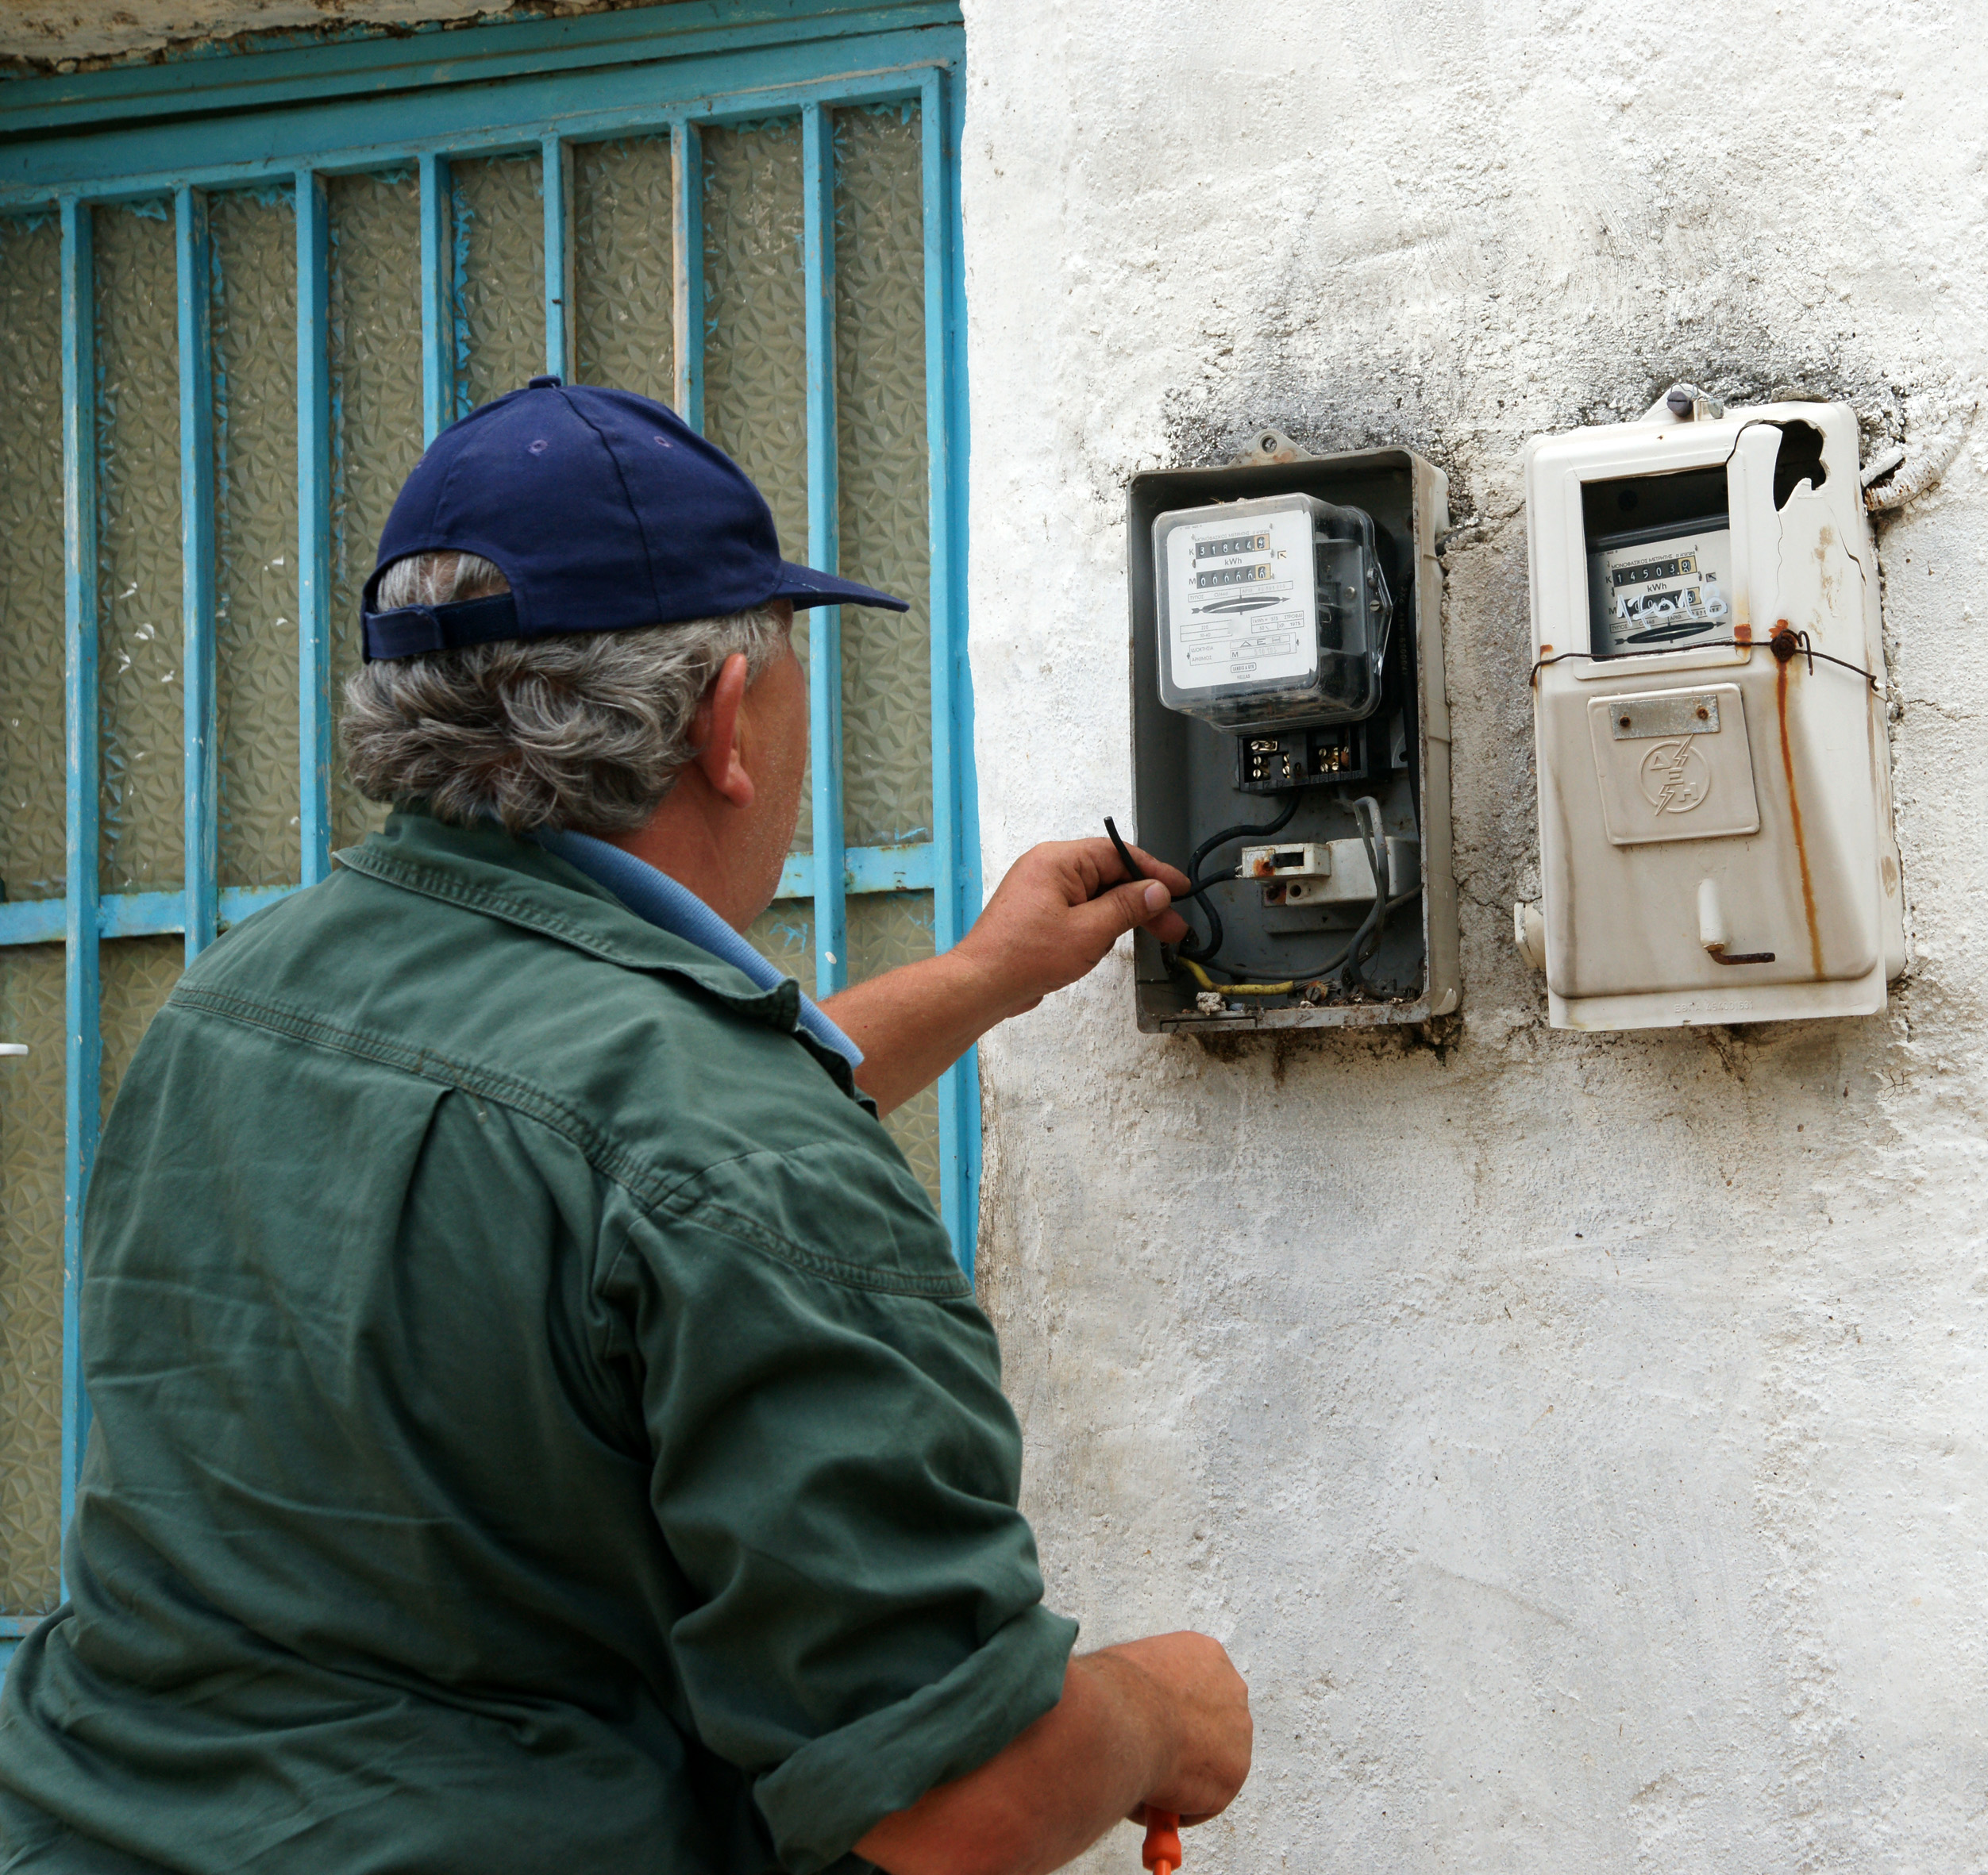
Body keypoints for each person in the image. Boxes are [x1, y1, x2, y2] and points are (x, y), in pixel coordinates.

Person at [0, 378, 1250, 1875]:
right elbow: (954, 1793)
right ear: (728, 720)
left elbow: (596, 1158)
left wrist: (984, 979)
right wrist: (1166, 1714)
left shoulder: (238, 1002)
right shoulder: (721, 1141)